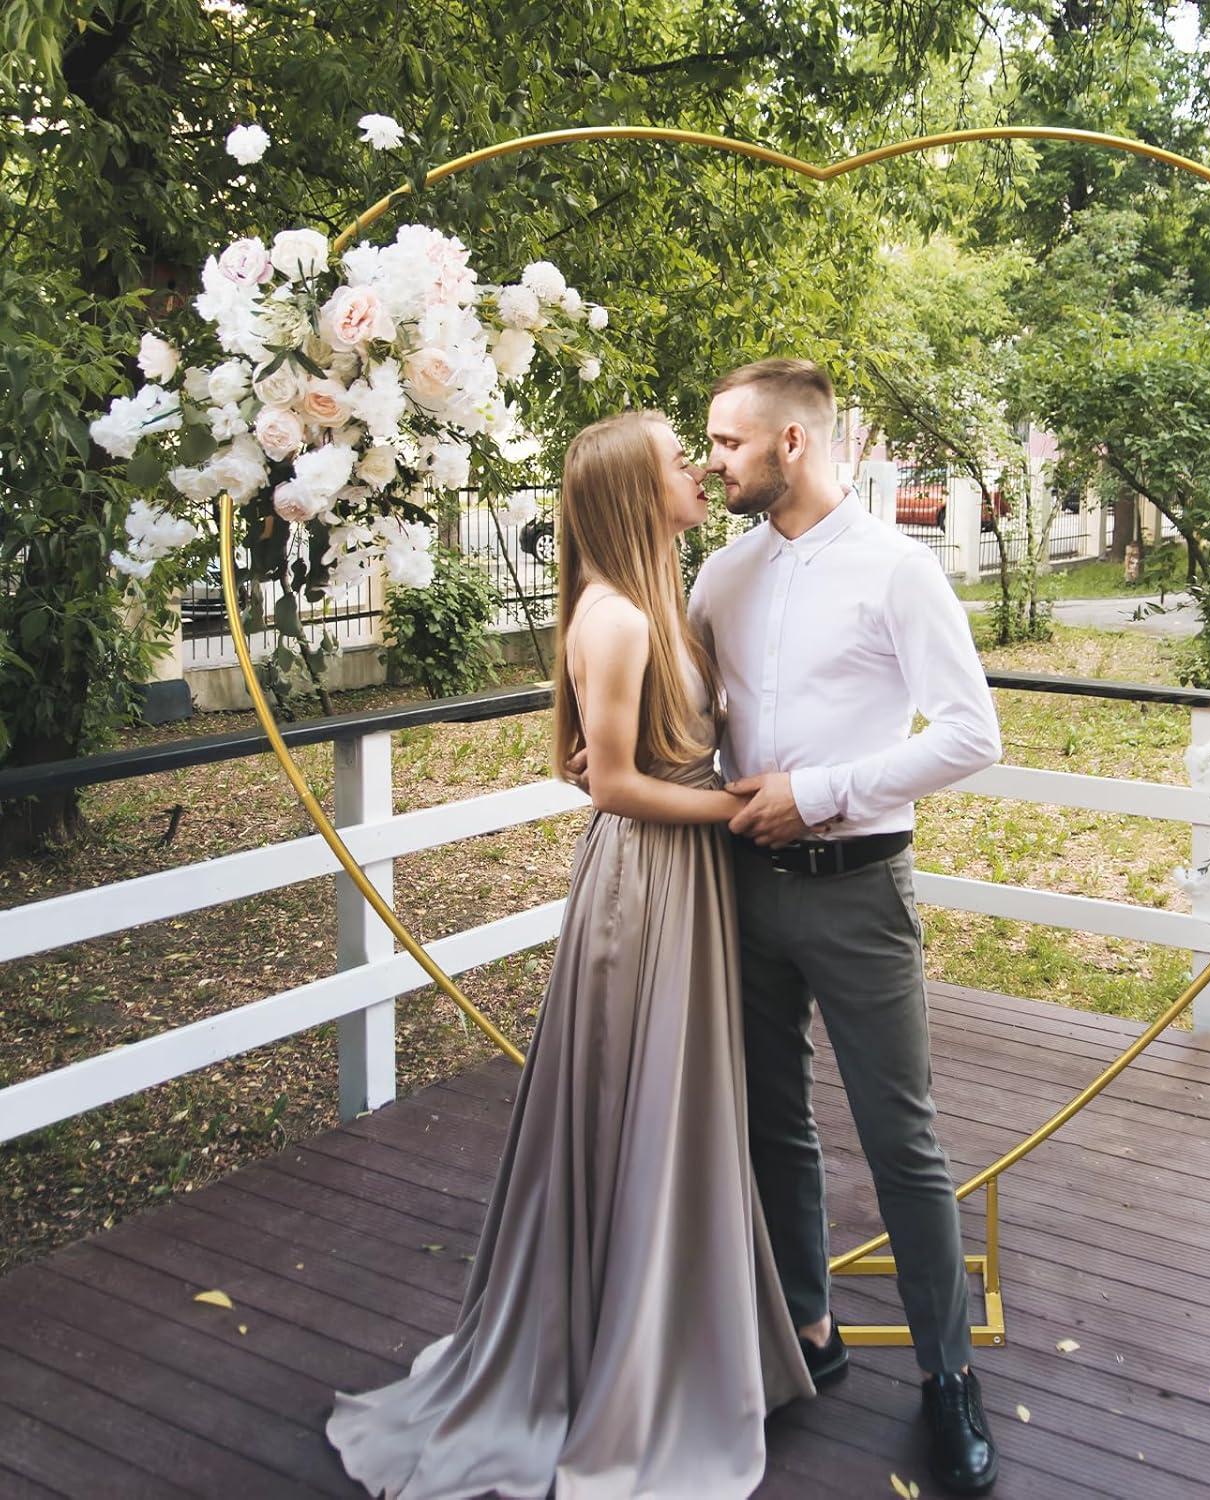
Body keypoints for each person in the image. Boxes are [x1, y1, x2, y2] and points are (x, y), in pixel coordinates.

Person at [325, 409, 814, 1500]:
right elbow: (612, 785)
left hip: (681, 876)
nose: (698, 471)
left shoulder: (652, 601)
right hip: (650, 882)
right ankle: (623, 1355)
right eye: (677, 460)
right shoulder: (618, 618)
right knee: (638, 1099)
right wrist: (737, 807)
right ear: (636, 491)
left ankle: (674, 1337)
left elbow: (590, 757)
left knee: (674, 1101)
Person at [693, 359, 1004, 1495]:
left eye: (727, 442)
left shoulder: (897, 569)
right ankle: (807, 1335)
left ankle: (947, 1376)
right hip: (740, 888)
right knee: (770, 1121)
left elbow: (972, 735)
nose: (711, 463)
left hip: (861, 889)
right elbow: (687, 719)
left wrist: (818, 793)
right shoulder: (719, 576)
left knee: (901, 1139)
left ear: (792, 443)